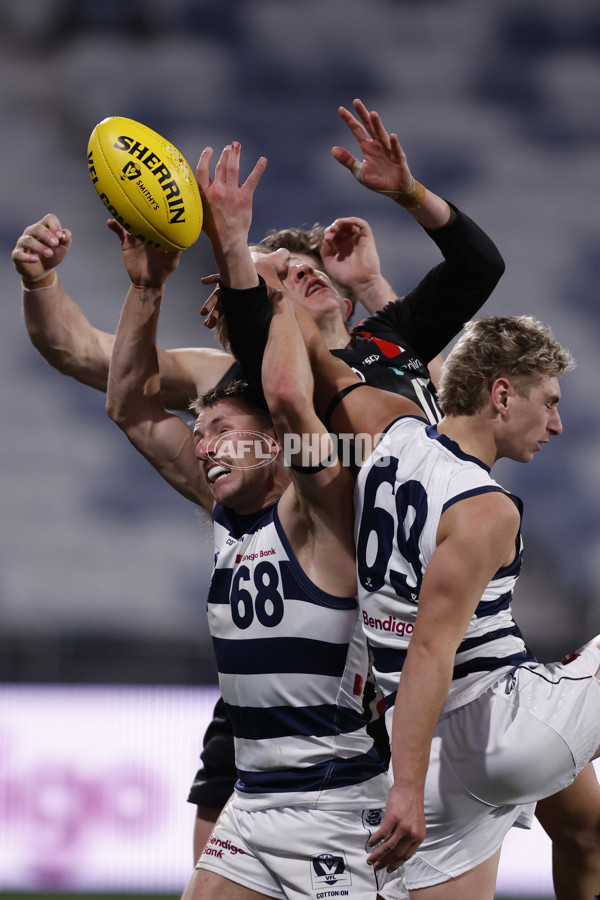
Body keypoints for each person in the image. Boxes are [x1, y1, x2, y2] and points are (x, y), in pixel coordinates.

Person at [12, 97, 506, 869]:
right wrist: (43, 284)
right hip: (289, 620)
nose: (296, 284)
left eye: (307, 276)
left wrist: (381, 261)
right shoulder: (236, 384)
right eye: (282, 280)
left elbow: (457, 336)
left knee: (536, 816)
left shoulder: (392, 345)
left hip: (397, 627)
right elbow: (92, 360)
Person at [103, 140, 399, 900]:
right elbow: (130, 406)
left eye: (224, 428)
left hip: (338, 803)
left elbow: (298, 411)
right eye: (199, 433)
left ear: (275, 444)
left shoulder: (324, 505)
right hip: (256, 800)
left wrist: (246, 263)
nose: (204, 444)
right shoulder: (226, 506)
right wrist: (148, 285)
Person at [276, 295, 600, 897]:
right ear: (502, 395)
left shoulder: (386, 427)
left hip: (434, 757)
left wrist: (264, 290)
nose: (556, 424)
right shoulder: (484, 508)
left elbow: (318, 360)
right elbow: (431, 647)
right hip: (504, 724)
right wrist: (403, 786)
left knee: (586, 830)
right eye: (549, 403)